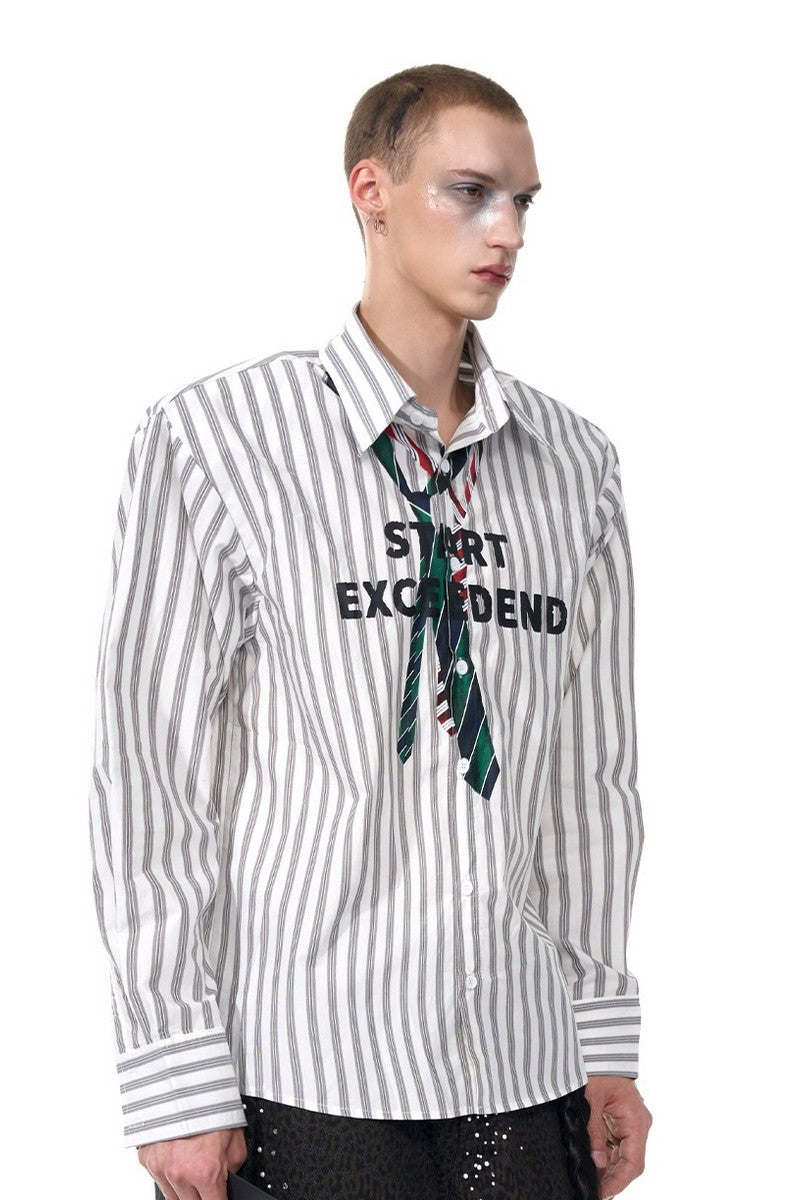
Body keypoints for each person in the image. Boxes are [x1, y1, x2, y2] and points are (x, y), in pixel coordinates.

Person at [87, 63, 652, 1200]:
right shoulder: (216, 441)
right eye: (469, 192)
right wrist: (173, 1073)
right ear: (371, 192)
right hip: (306, 1076)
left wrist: (603, 1039)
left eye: (523, 202)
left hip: (524, 1068)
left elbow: (588, 780)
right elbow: (153, 772)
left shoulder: (575, 468)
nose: (507, 231)